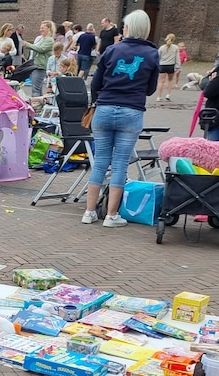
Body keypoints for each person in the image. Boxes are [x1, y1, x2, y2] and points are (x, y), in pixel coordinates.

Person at [81, 10, 158, 229]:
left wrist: (102, 99)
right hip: (132, 111)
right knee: (120, 164)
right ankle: (111, 215)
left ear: (127, 28)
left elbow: (95, 83)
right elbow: (151, 89)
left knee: (100, 161)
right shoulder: (152, 54)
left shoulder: (112, 50)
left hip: (104, 109)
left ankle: (89, 211)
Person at [22, 21, 54, 97]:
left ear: (48, 28)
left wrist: (28, 45)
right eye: (40, 28)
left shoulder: (49, 40)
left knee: (35, 89)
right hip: (36, 65)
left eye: (42, 28)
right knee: (37, 88)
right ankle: (39, 105)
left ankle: (35, 105)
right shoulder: (43, 39)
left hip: (41, 66)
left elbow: (41, 49)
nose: (40, 29)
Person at [156, 34, 177, 101]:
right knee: (170, 80)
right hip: (171, 65)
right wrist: (178, 66)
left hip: (162, 65)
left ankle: (159, 96)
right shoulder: (175, 47)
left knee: (161, 81)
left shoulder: (162, 47)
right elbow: (177, 58)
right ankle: (168, 94)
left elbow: (158, 56)